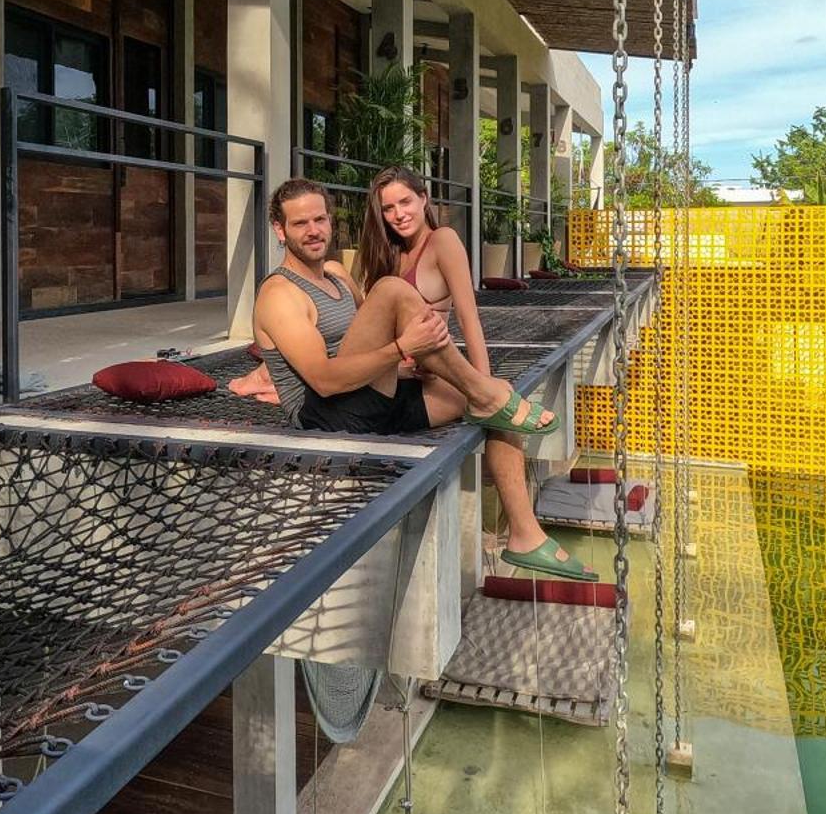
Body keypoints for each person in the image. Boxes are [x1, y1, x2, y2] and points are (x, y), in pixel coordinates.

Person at [254, 177, 594, 581]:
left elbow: (365, 338)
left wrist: (398, 365)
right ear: (280, 230)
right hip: (326, 414)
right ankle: (483, 391)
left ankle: (525, 534)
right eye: (300, 223)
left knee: (497, 403)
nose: (313, 230)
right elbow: (324, 380)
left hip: (370, 399)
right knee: (392, 290)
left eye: (320, 219)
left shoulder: (336, 275)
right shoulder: (279, 294)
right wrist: (401, 348)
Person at [355, 164, 590, 581]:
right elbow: (362, 324)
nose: (398, 214)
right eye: (388, 208)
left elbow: (468, 317)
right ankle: (525, 534)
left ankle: (524, 532)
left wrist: (486, 386)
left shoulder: (442, 241)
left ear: (424, 199)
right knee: (499, 403)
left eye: (405, 202)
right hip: (383, 381)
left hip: (420, 379)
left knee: (498, 405)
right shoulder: (380, 252)